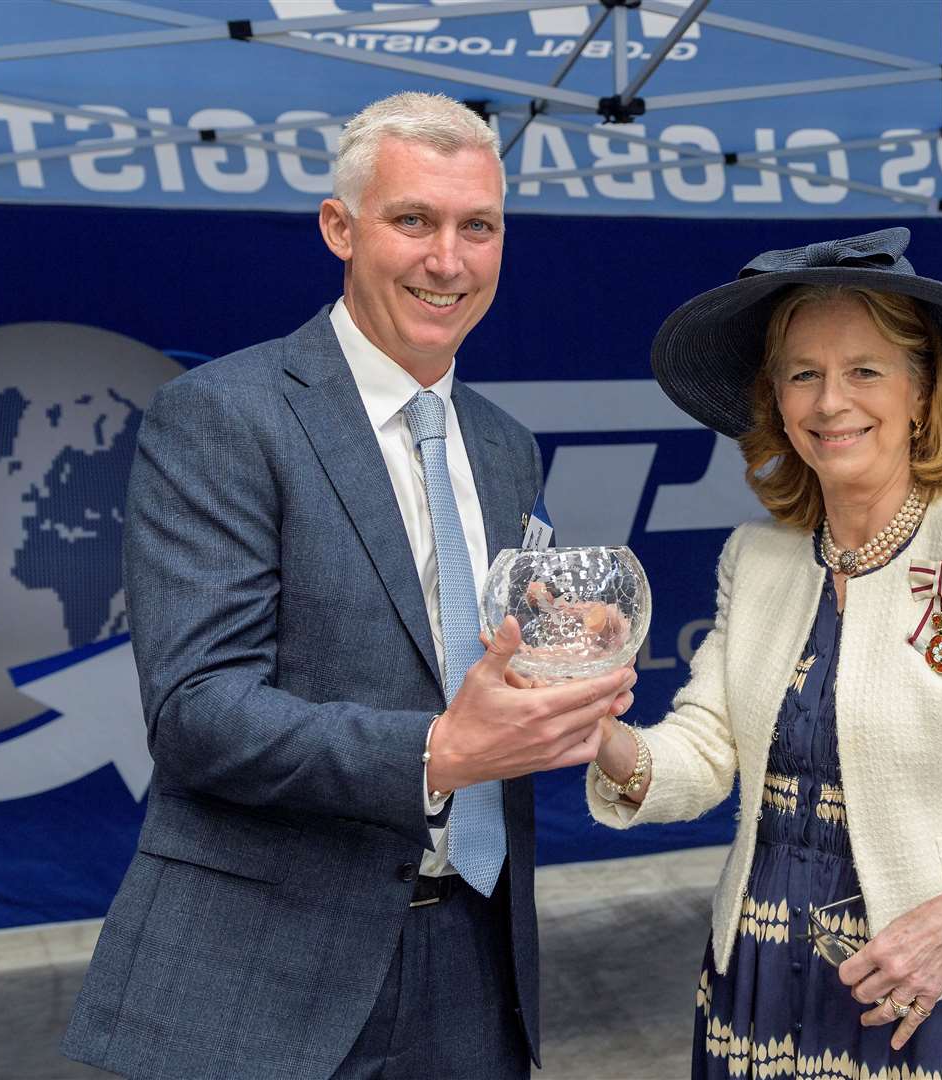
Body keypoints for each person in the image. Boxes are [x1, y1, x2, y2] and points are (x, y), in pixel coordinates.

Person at [61, 92, 634, 1080]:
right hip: (267, 972)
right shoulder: (224, 415)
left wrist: (553, 653)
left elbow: (462, 653)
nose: (446, 260)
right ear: (341, 227)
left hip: (474, 958)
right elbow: (200, 713)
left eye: (478, 227)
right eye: (412, 220)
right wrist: (440, 748)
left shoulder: (502, 447)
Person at [585, 227, 942, 1078]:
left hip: (925, 990)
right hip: (757, 977)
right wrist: (597, 725)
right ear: (777, 402)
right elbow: (704, 754)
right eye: (803, 374)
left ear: (921, 391)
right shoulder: (756, 559)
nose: (831, 402)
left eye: (864, 370)